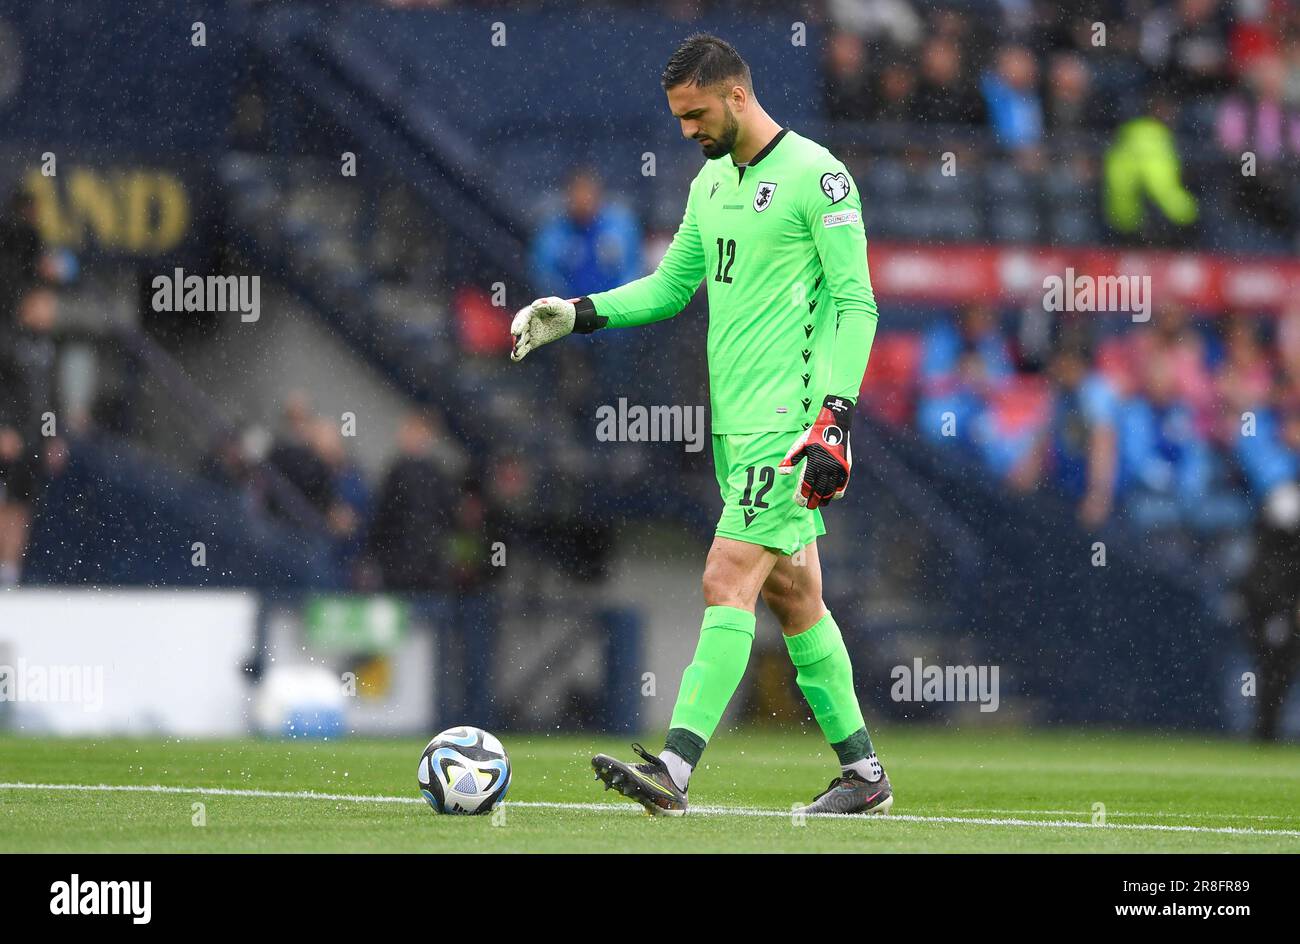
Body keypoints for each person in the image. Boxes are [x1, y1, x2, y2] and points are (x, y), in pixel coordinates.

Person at [511, 35, 888, 817]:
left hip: (790, 427)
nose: (687, 130)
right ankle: (864, 776)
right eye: (678, 118)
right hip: (733, 428)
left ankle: (674, 769)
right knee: (795, 598)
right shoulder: (711, 182)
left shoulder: (818, 177)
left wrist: (835, 418)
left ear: (736, 96)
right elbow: (671, 287)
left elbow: (857, 303)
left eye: (695, 114)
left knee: (726, 578)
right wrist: (578, 313)